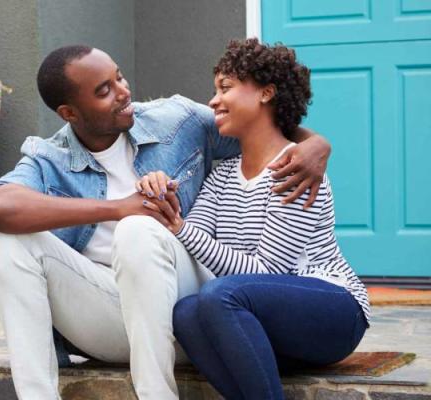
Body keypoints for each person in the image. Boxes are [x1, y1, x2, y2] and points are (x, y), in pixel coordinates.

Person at [0, 44, 333, 399]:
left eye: (119, 77)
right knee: (8, 240)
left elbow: (258, 123)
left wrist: (316, 144)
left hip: (187, 311)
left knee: (139, 229)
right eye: (104, 91)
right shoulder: (49, 158)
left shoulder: (177, 122)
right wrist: (118, 208)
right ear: (69, 112)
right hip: (109, 318)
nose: (123, 92)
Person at [136, 38, 370, 400]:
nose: (214, 100)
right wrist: (166, 199)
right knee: (186, 314)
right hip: (265, 322)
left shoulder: (296, 170)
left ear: (266, 93)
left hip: (334, 312)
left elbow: (268, 272)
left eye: (225, 88)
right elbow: (194, 239)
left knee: (218, 295)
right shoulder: (223, 174)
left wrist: (180, 229)